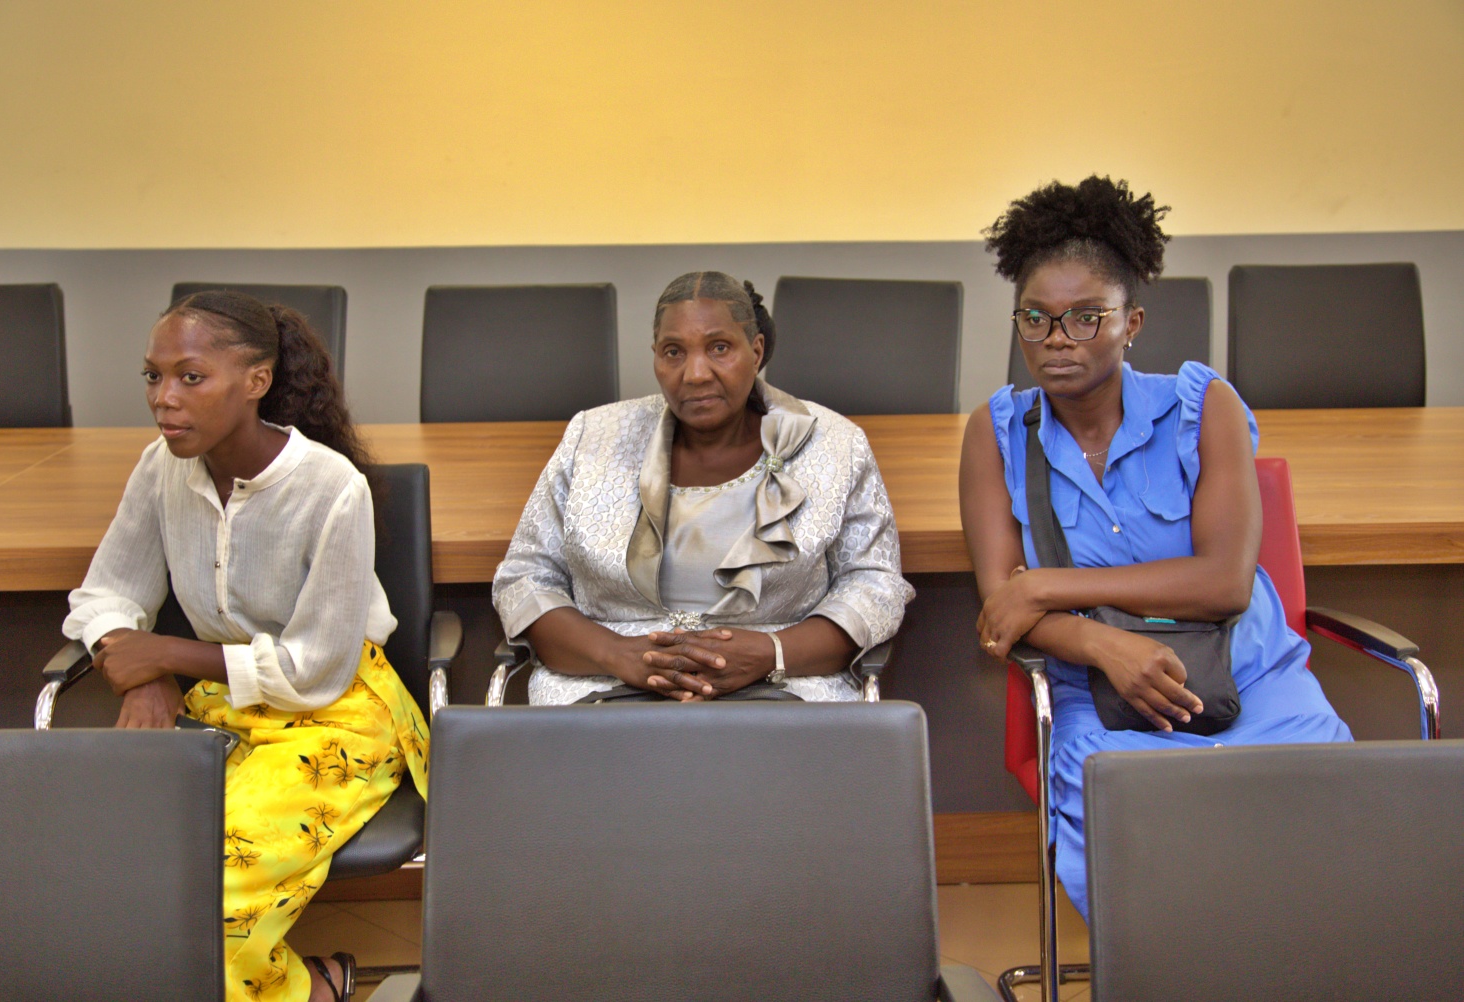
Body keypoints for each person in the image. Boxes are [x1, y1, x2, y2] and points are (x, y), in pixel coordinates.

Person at [958, 177, 1351, 916]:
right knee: (1147, 888)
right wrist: (1102, 645)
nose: (1056, 340)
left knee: (1322, 856)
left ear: (1131, 322)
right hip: (1102, 700)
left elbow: (1225, 583)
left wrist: (1046, 586)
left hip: (1254, 680)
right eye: (1035, 319)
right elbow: (1001, 611)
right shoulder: (999, 433)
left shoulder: (1204, 407)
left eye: (1086, 318)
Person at [63, 291, 428, 1002]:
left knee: (204, 895)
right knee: (125, 875)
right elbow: (104, 594)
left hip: (336, 716)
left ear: (257, 380)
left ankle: (304, 990)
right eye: (153, 376)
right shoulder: (162, 467)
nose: (163, 398)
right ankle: (312, 987)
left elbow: (314, 668)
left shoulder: (331, 488)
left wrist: (165, 655)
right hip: (220, 709)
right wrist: (138, 670)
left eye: (190, 377)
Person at [493, 271, 914, 704]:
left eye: (719, 348)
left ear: (756, 351)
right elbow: (526, 576)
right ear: (655, 357)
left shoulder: (836, 444)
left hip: (783, 690)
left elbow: (874, 583)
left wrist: (772, 653)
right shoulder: (591, 437)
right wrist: (615, 654)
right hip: (601, 689)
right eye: (674, 352)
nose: (695, 374)